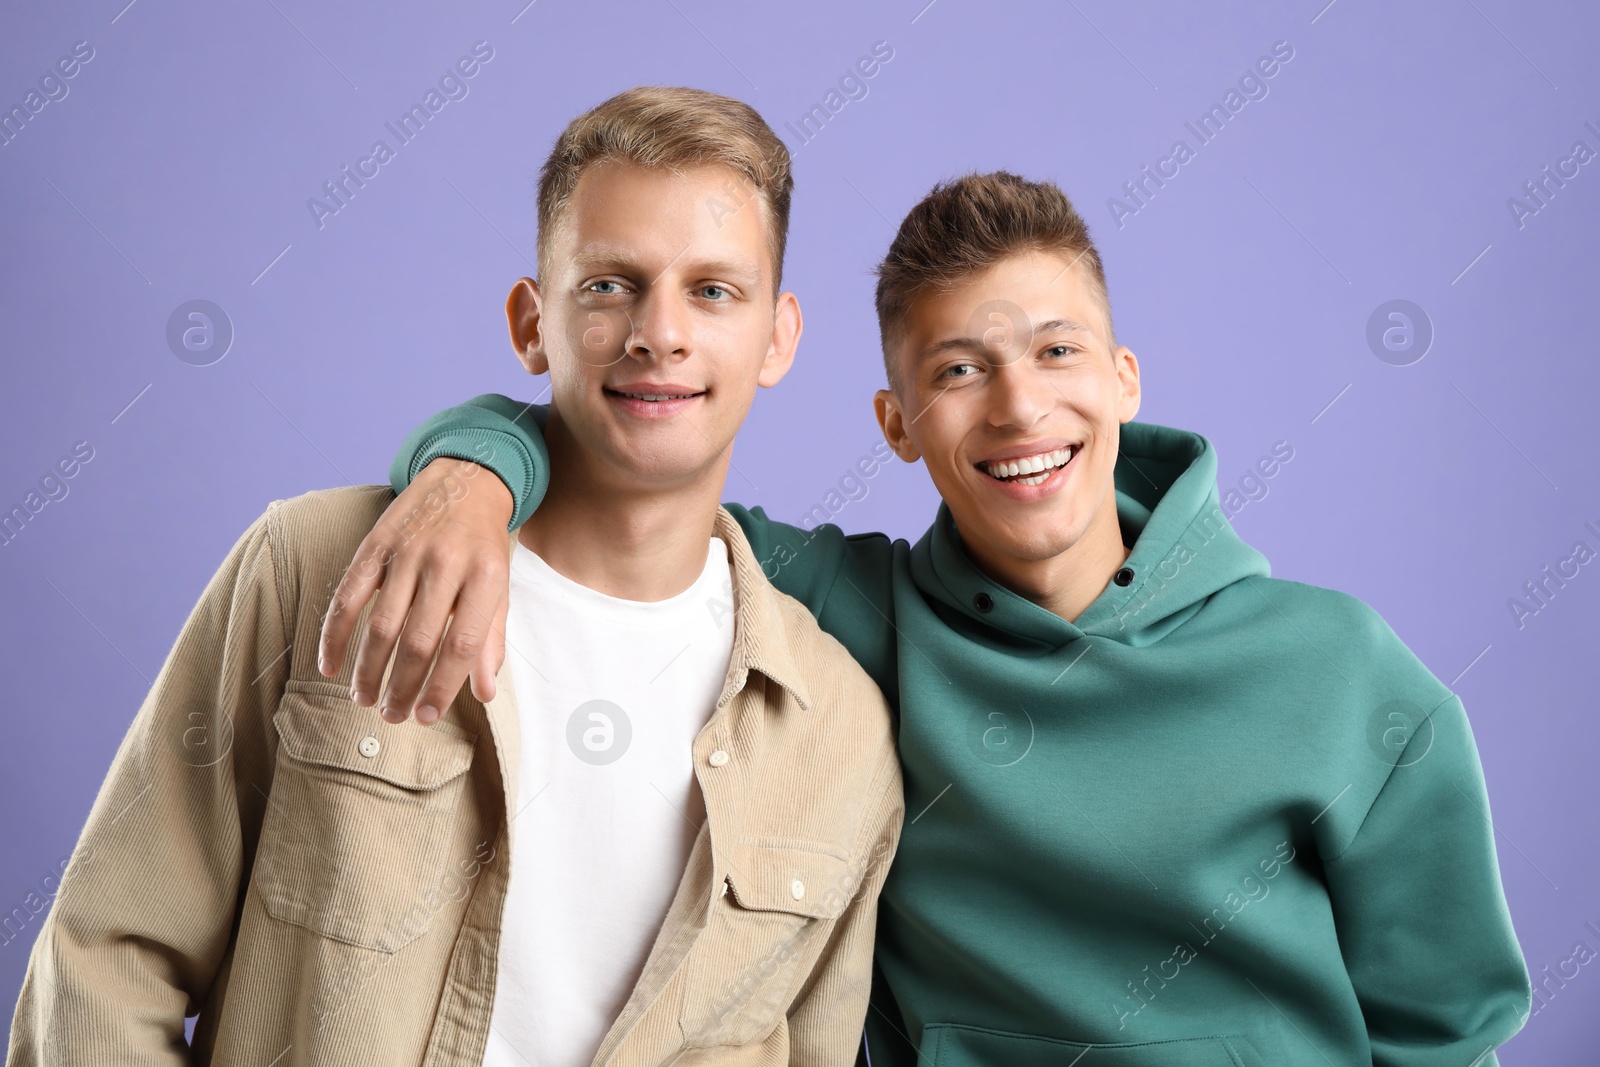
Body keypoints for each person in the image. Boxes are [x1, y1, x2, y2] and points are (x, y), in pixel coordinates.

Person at [330, 169, 1534, 1065]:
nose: (1017, 406)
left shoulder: (1336, 669)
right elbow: (618, 461)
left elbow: (1447, 1024)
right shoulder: (853, 615)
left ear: (1122, 377)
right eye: (957, 370)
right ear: (896, 422)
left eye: (1055, 350)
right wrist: (467, 479)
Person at [7, 86, 901, 1066]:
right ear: (531, 321)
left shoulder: (841, 733)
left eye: (713, 290)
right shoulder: (315, 565)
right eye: (608, 284)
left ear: (778, 335)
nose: (660, 331)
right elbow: (104, 961)